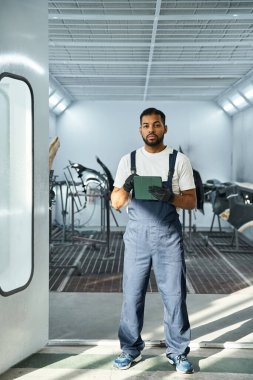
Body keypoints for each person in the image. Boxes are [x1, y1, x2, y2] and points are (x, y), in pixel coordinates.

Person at [111, 107, 196, 374]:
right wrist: (125, 186)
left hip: (168, 236)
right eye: (146, 126)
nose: (151, 130)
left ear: (165, 129)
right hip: (137, 236)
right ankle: (129, 349)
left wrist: (170, 197)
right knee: (132, 294)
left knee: (174, 295)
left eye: (156, 125)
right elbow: (116, 203)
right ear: (140, 130)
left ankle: (178, 352)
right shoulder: (129, 160)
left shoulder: (179, 160)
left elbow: (192, 201)